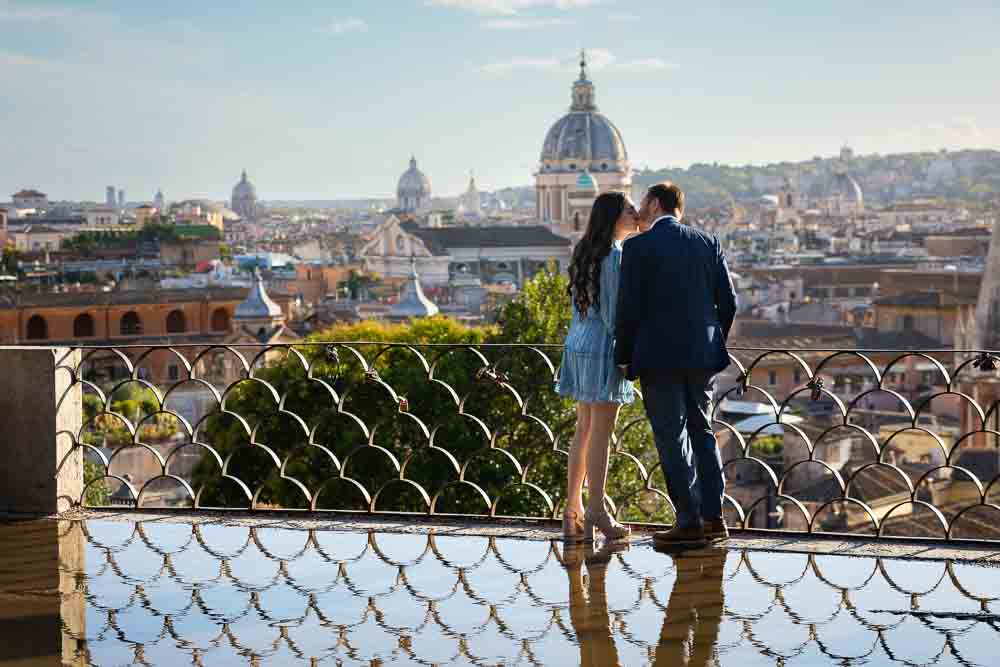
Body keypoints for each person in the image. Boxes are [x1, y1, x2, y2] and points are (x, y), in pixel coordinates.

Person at [614, 182, 737, 546]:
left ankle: (687, 520)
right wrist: (712, 338)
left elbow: (628, 310)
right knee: (703, 431)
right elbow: (728, 303)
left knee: (671, 435)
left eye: (642, 203)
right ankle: (714, 517)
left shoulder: (637, 247)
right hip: (701, 356)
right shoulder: (707, 242)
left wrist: (623, 356)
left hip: (657, 356)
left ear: (654, 204)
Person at [556, 191, 639, 543]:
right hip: (602, 346)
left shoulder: (583, 248)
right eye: (630, 209)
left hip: (577, 342)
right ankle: (598, 512)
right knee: (602, 434)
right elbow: (614, 313)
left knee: (584, 429)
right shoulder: (614, 256)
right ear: (615, 217)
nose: (636, 214)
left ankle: (572, 511)